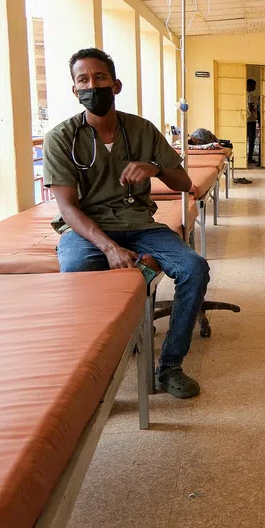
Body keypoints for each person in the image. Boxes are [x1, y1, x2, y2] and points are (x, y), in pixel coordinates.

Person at [42, 47, 209, 399]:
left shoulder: (142, 130)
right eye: (83, 80)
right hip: (86, 229)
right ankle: (94, 368)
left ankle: (170, 366)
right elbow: (68, 207)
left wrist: (155, 167)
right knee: (75, 270)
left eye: (99, 78)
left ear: (115, 85)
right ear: (74, 90)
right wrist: (108, 247)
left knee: (194, 267)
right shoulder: (61, 138)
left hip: (139, 223)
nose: (92, 86)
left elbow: (183, 184)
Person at [246, 78, 260, 166]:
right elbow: (251, 108)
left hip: (245, 120)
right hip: (250, 120)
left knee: (246, 140)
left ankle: (246, 157)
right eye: (254, 85)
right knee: (251, 140)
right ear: (249, 85)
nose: (255, 87)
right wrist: (255, 108)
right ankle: (250, 158)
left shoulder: (244, 94)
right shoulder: (249, 95)